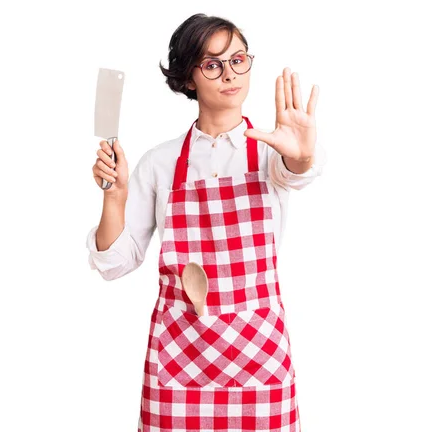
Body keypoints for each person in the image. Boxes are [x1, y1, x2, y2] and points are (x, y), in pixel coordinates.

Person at [87, 13, 327, 432]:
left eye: (238, 59)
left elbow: (298, 171)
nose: (230, 74)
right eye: (213, 64)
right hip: (181, 355)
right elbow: (116, 262)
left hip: (259, 354)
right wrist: (115, 195)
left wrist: (302, 154)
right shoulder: (160, 163)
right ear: (187, 78)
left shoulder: (271, 152)